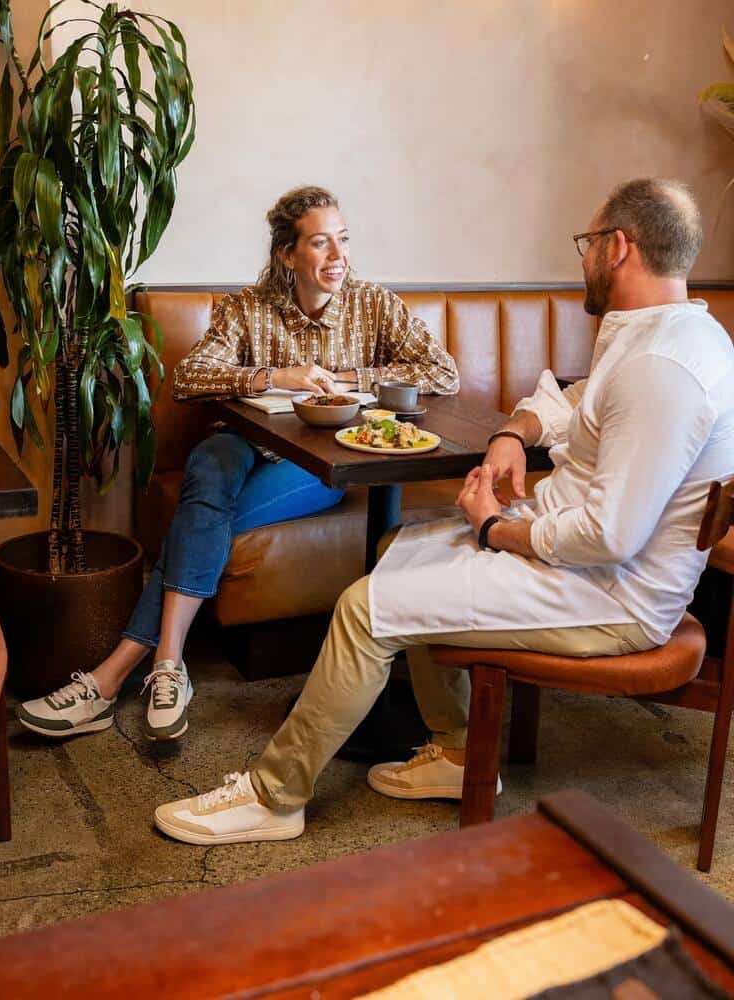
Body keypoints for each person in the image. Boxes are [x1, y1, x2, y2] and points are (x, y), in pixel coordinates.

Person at [153, 177, 734, 846]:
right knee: (396, 546)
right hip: (582, 567)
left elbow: (609, 536)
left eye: (588, 242)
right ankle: (461, 755)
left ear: (620, 248)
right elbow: (568, 401)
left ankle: (274, 796)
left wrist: (494, 527)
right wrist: (514, 432)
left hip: (610, 598)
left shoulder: (663, 364)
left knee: (365, 608)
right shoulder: (658, 335)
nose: (583, 256)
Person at [17, 185, 459, 742]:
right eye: (320, 243)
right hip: (241, 443)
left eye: (343, 241)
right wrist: (278, 377)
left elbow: (444, 373)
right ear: (287, 253)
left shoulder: (375, 304)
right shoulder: (247, 308)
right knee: (209, 471)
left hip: (316, 461)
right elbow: (189, 378)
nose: (338, 256)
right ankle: (166, 668)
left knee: (201, 522)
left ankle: (117, 676)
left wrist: (349, 380)